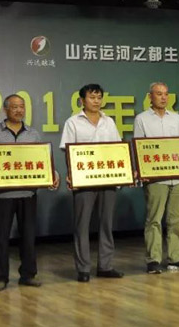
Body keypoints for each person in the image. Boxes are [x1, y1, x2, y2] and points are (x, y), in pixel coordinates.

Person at [0, 94, 59, 290]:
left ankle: (28, 275)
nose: (19, 110)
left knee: (29, 237)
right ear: (5, 109)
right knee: (1, 238)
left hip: (28, 194)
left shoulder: (33, 134)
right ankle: (1, 277)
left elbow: (43, 160)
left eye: (22, 106)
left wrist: (53, 175)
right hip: (2, 195)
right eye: (14, 107)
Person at [60, 84, 124, 283]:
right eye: (92, 97)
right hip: (84, 181)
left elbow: (118, 149)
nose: (96, 101)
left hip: (108, 179)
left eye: (99, 97)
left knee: (106, 224)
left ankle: (105, 266)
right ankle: (83, 269)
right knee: (82, 225)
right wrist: (72, 175)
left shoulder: (109, 122)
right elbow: (68, 152)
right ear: (82, 100)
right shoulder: (73, 122)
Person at [133, 82, 179, 274]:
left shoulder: (175, 118)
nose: (163, 97)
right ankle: (153, 260)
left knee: (176, 219)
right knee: (154, 219)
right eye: (159, 94)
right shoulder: (141, 119)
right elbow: (138, 148)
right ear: (150, 96)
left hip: (178, 176)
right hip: (156, 177)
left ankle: (177, 258)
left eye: (166, 94)